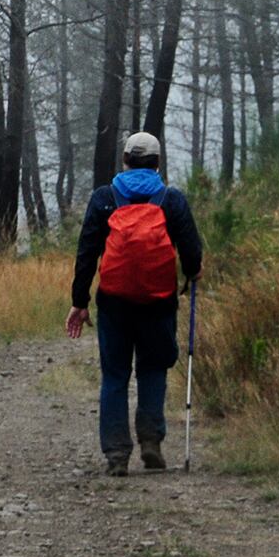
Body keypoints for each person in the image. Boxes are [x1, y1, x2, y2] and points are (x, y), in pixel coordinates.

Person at [67, 131, 203, 475]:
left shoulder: (104, 198)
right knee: (153, 368)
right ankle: (151, 441)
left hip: (114, 301)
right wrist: (191, 273)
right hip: (158, 301)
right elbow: (191, 250)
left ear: (125, 160)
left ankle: (116, 453)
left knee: (114, 374)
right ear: (157, 163)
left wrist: (79, 302)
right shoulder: (171, 200)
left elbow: (87, 252)